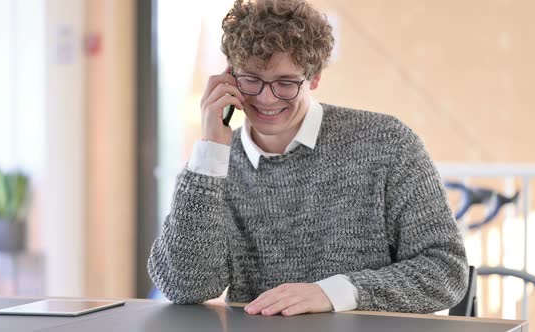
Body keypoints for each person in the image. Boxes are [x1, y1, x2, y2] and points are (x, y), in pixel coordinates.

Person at [149, 0, 468, 316]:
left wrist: (333, 292)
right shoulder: (216, 164)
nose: (266, 98)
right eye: (251, 79)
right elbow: (184, 286)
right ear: (229, 77)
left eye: (285, 83)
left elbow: (446, 271)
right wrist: (209, 153)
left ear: (314, 78)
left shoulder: (388, 143)